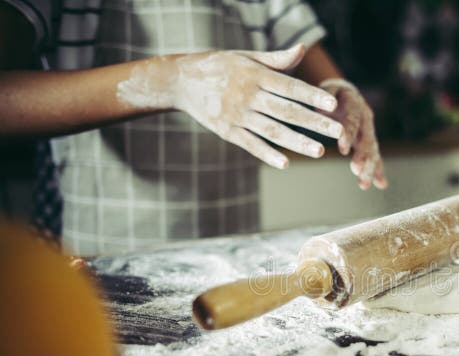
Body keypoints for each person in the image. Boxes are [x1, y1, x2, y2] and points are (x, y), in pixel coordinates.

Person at [0, 0, 385, 255]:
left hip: (234, 254)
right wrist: (174, 80)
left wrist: (338, 96)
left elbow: (314, 65)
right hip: (105, 263)